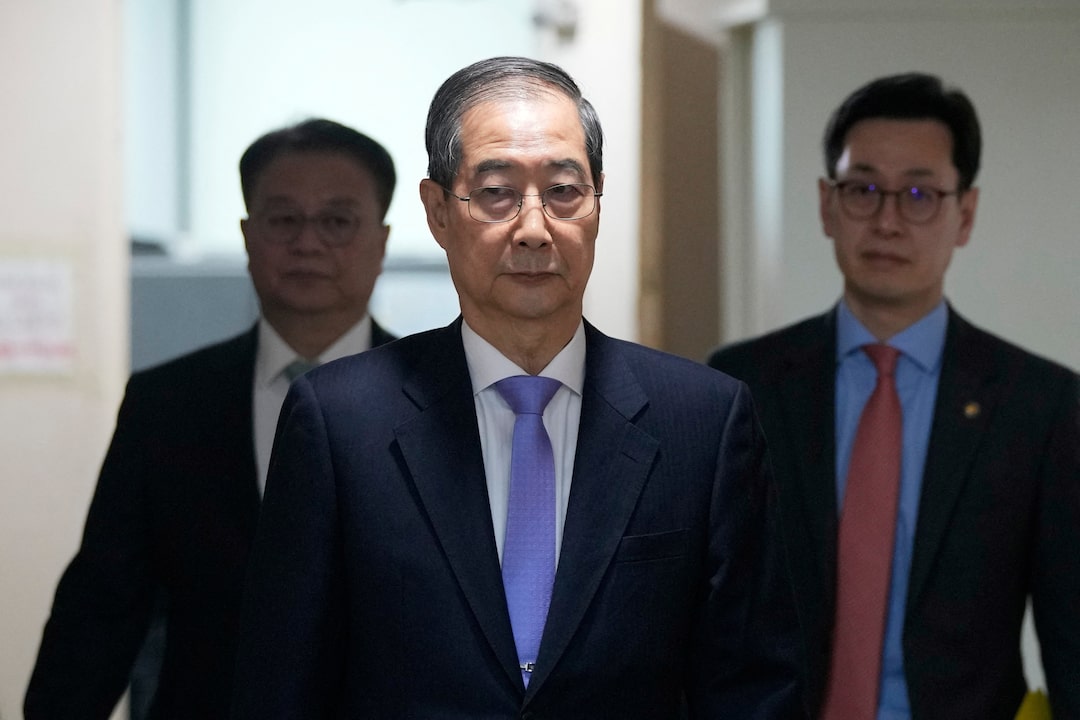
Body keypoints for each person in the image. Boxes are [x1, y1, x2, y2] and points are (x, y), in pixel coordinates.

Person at [229, 56, 804, 719]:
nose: (534, 229)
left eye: (564, 190)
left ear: (597, 203)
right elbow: (281, 683)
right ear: (438, 212)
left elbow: (753, 690)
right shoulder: (340, 420)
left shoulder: (703, 420)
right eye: (497, 192)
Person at [708, 73, 1080, 720]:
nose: (887, 221)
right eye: (862, 190)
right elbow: (704, 611)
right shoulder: (743, 386)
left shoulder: (1039, 407)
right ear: (827, 205)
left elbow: (1071, 638)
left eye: (918, 194)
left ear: (965, 215)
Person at [24, 118, 398, 720]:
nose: (307, 243)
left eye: (337, 221)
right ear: (249, 236)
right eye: (283, 220)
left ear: (380, 242)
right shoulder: (166, 404)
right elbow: (101, 607)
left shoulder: (445, 401)